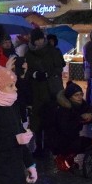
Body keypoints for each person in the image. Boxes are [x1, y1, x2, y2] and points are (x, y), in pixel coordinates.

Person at [25, 27, 65, 157]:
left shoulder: (53, 51)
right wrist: (35, 74)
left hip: (50, 88)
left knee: (50, 117)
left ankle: (48, 145)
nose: (40, 42)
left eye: (41, 39)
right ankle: (38, 146)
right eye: (37, 40)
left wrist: (48, 73)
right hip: (36, 89)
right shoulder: (29, 53)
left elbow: (59, 66)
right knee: (36, 118)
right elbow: (27, 70)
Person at [49, 82, 92, 171]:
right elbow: (65, 127)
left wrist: (90, 116)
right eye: (76, 95)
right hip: (58, 139)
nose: (80, 97)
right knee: (75, 144)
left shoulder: (81, 104)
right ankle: (61, 158)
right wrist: (80, 119)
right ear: (69, 97)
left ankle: (69, 157)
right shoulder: (62, 109)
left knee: (89, 143)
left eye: (81, 94)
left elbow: (89, 110)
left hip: (73, 135)